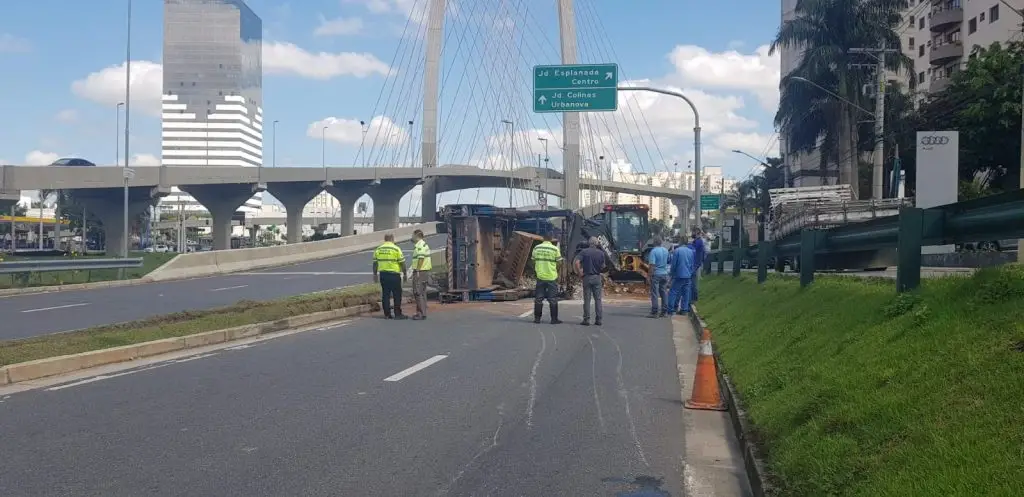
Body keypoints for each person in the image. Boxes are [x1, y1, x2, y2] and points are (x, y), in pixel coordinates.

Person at [372, 233, 407, 320]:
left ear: (385, 239)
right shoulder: (396, 249)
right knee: (397, 294)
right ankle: (397, 314)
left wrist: (375, 274)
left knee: (385, 294)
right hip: (394, 275)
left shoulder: (378, 249)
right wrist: (405, 273)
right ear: (392, 239)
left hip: (383, 275)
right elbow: (402, 263)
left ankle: (387, 314)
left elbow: (375, 264)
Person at [531, 232, 563, 324]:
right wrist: (555, 269)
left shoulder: (537, 248)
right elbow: (559, 262)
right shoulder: (555, 249)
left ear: (543, 238)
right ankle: (554, 319)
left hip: (540, 276)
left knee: (538, 298)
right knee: (552, 299)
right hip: (551, 276)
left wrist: (538, 268)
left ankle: (537, 319)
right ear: (551, 239)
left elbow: (533, 261)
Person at [574, 236, 606, 326]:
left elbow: (577, 262)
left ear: (589, 243)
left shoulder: (584, 252)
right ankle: (598, 320)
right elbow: (603, 267)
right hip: (597, 277)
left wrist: (580, 273)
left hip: (587, 277)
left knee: (587, 300)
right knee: (598, 300)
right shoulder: (601, 253)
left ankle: (586, 320)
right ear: (597, 244)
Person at [668, 235, 695, 315]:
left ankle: (671, 309)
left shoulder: (677, 251)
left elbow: (674, 265)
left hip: (679, 274)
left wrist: (671, 275)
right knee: (686, 292)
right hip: (688, 275)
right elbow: (691, 264)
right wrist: (690, 273)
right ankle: (684, 310)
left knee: (673, 291)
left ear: (680, 241)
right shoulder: (690, 251)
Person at [646, 236, 671, 318]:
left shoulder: (653, 251)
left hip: (656, 274)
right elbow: (668, 261)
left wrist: (648, 276)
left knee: (654, 293)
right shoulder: (665, 250)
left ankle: (654, 312)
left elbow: (652, 265)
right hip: (664, 274)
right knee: (664, 292)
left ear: (654, 243)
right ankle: (664, 312)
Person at [410, 229, 432, 320]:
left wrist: (417, 270)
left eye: (412, 235)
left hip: (420, 271)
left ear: (416, 235)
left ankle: (421, 313)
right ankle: (421, 312)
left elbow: (421, 258)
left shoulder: (420, 246)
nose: (411, 237)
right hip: (424, 271)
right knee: (422, 292)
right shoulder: (423, 244)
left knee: (417, 292)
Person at [690, 228, 706, 302]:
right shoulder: (697, 241)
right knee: (692, 279)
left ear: (697, 233)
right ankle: (693, 297)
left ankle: (694, 298)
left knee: (692, 280)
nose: (692, 233)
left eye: (694, 232)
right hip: (695, 262)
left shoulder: (698, 241)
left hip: (695, 262)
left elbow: (693, 250)